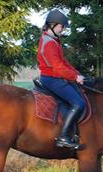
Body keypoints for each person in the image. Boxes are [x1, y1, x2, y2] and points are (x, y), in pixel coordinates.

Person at [37, 9, 86, 149]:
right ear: (52, 25)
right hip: (51, 79)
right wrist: (75, 77)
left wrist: (76, 74)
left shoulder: (53, 40)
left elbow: (63, 62)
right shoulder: (49, 43)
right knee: (78, 103)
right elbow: (58, 67)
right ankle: (63, 137)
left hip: (55, 76)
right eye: (61, 26)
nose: (63, 29)